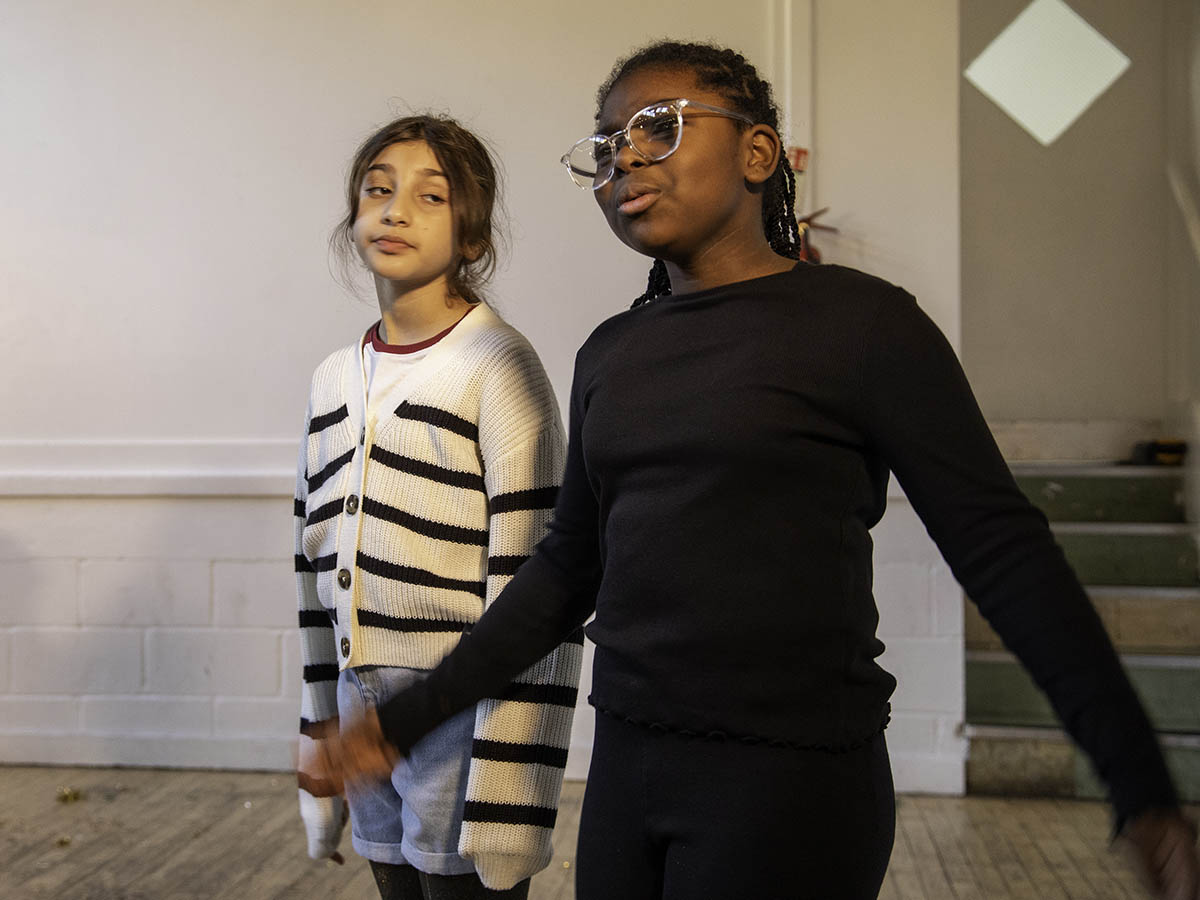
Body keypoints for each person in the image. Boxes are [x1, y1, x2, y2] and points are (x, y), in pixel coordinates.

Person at [317, 42, 1200, 900]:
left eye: (659, 126)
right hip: (629, 771)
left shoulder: (864, 326)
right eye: (609, 146)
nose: (627, 158)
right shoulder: (611, 353)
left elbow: (1004, 554)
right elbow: (563, 573)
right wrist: (402, 721)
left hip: (792, 785)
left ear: (757, 151)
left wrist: (1140, 784)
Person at [292, 113, 582, 900]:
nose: (395, 211)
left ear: (472, 238)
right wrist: (320, 741)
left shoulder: (499, 365)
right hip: (359, 701)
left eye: (430, 196)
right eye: (377, 190)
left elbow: (537, 582)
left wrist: (512, 798)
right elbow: (311, 577)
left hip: (464, 707)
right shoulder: (332, 379)